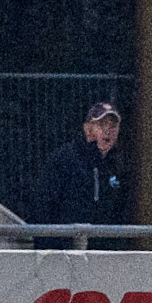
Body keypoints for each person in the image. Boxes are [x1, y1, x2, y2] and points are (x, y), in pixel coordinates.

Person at [36, 102, 124, 250]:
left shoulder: (115, 165)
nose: (108, 131)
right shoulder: (64, 159)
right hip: (64, 250)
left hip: (101, 254)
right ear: (87, 128)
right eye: (102, 125)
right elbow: (44, 206)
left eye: (113, 126)